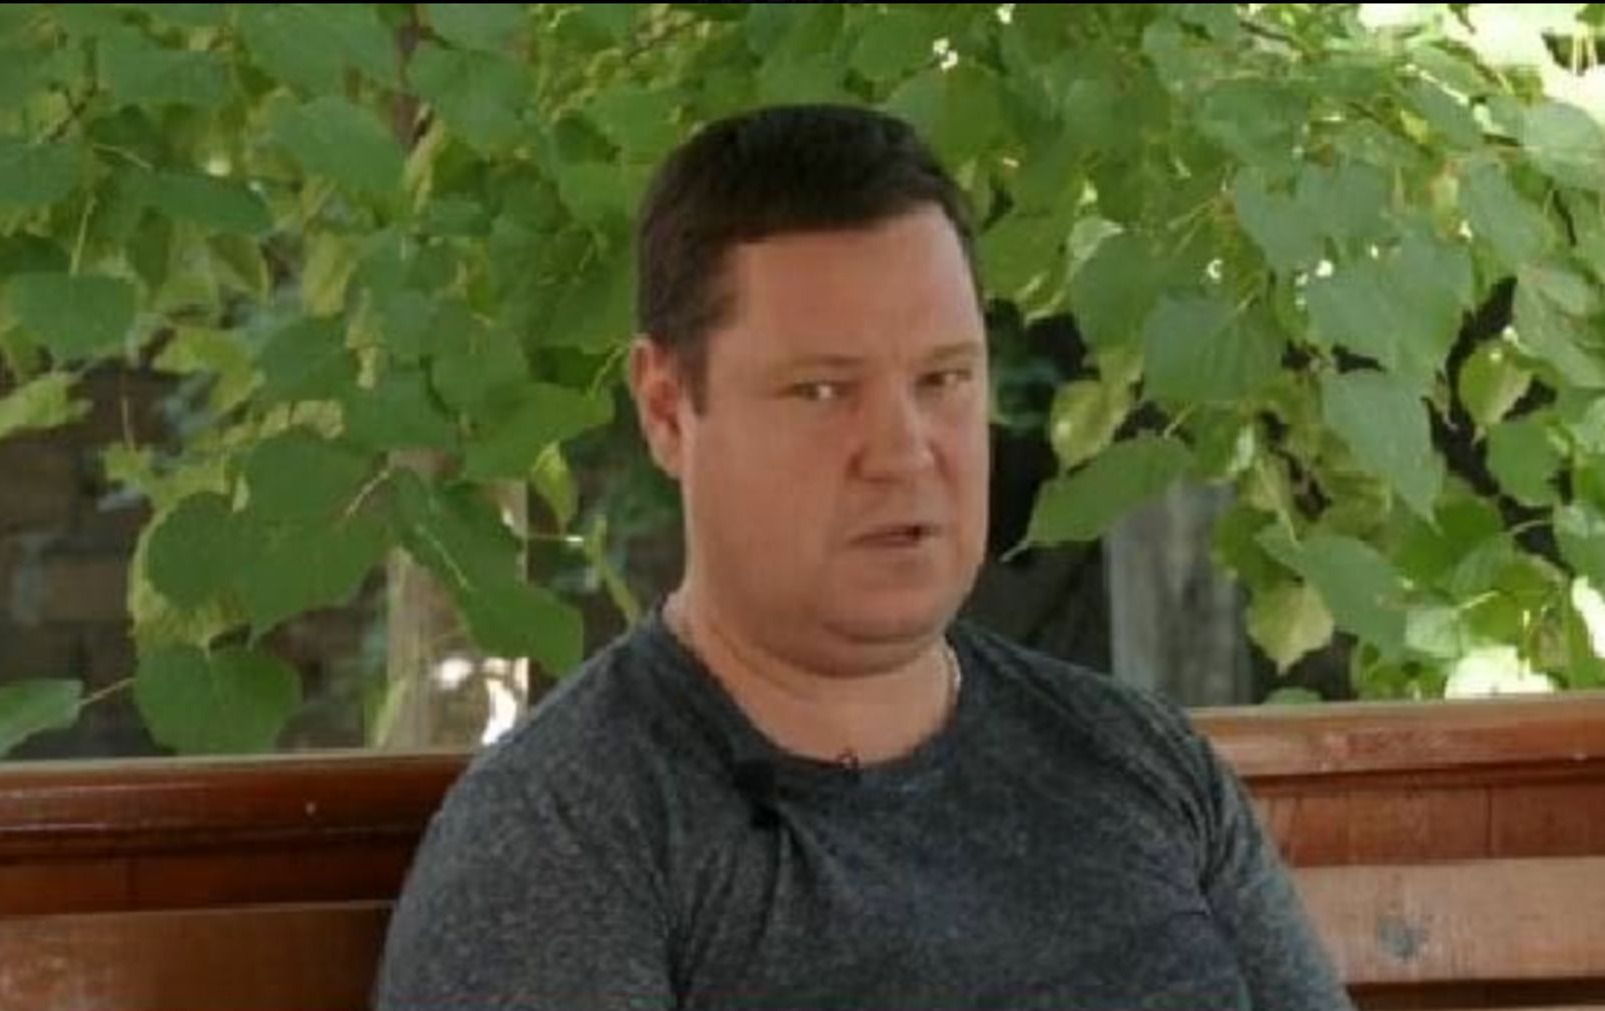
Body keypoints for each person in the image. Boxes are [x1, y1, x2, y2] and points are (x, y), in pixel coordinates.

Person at [373, 104, 1353, 1010]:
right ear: (667, 409)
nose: (902, 451)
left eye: (943, 379)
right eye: (822, 391)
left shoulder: (1139, 763)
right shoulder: (567, 837)